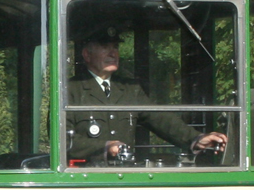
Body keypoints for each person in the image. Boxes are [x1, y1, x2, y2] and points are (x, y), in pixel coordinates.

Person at [66, 28, 228, 164]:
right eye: (105, 47)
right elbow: (63, 141)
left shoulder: (129, 89)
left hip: (124, 176)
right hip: (84, 179)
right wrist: (105, 147)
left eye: (115, 47)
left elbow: (159, 118)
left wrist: (196, 139)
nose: (112, 53)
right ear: (87, 55)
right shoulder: (70, 90)